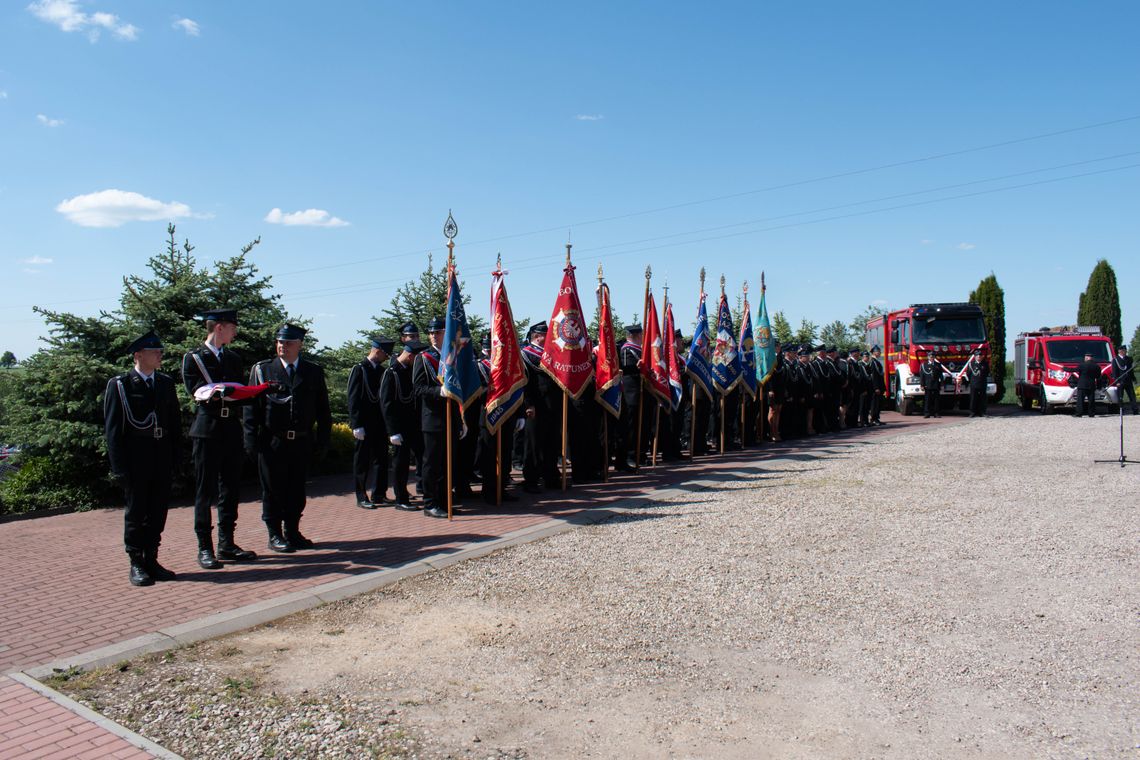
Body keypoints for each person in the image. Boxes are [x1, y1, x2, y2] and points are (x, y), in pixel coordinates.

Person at [181, 308, 258, 570]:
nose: (236, 332)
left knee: (230, 488)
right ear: (220, 328)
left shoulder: (233, 358)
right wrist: (216, 392)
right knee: (205, 491)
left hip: (230, 428)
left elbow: (239, 391)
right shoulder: (193, 358)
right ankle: (205, 547)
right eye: (233, 327)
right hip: (208, 429)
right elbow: (195, 391)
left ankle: (227, 543)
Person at [244, 324, 332, 551]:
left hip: (301, 441)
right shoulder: (264, 370)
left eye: (288, 342)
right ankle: (274, 534)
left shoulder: (312, 371)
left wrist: (322, 440)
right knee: (272, 490)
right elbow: (251, 409)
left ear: (300, 345)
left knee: (296, 489)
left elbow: (323, 410)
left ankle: (292, 531)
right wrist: (251, 442)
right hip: (273, 441)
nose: (282, 346)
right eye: (280, 342)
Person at [105, 331, 182, 586]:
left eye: (160, 350)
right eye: (154, 351)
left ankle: (152, 558)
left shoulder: (165, 383)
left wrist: (176, 459)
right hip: (136, 459)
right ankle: (136, 562)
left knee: (158, 512)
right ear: (138, 355)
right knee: (137, 513)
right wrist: (119, 469)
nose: (160, 354)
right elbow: (114, 431)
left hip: (161, 456)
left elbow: (174, 424)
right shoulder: (121, 385)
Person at [412, 317, 458, 518]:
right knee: (432, 464)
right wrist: (439, 391)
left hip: (451, 417)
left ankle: (445, 500)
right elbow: (418, 388)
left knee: (448, 463)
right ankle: (430, 503)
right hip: (433, 418)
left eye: (437, 332)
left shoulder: (452, 355)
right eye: (431, 332)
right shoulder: (423, 358)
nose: (433, 336)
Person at [347, 337, 394, 509]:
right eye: (385, 354)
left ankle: (379, 494)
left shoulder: (381, 371)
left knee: (381, 459)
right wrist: (356, 424)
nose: (386, 358)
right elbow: (353, 398)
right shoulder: (359, 369)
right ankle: (361, 496)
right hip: (364, 423)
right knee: (362, 461)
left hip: (379, 422)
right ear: (378, 350)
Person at [381, 340, 426, 510]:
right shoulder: (391, 373)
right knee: (401, 463)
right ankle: (401, 498)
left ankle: (425, 490)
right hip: (399, 427)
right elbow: (386, 404)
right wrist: (393, 431)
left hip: (414, 425)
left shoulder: (409, 371)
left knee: (424, 457)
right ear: (410, 355)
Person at [1072, 351, 1101, 418]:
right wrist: (1099, 386)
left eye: (1085, 357)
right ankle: (1091, 414)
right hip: (1091, 385)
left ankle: (1079, 413)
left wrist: (1064, 368)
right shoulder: (1097, 366)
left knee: (1080, 401)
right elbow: (1098, 376)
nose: (1084, 359)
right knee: (1091, 401)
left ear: (1087, 358)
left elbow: (1073, 370)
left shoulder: (1082, 365)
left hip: (1082, 385)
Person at [1111, 344, 1137, 415]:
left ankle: (1135, 410)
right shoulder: (1115, 360)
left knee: (1132, 396)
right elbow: (1114, 372)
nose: (1124, 352)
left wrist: (1134, 378)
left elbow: (1130, 370)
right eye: (1123, 350)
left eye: (1125, 350)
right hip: (1120, 381)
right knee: (1120, 396)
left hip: (1128, 380)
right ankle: (1121, 410)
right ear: (1119, 351)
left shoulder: (1129, 359)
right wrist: (1117, 381)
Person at [963, 348, 989, 417]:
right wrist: (971, 381)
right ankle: (972, 412)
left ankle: (982, 412)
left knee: (982, 399)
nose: (979, 357)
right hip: (974, 384)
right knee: (973, 399)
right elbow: (968, 374)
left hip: (982, 383)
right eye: (977, 356)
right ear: (975, 356)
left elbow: (987, 373)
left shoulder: (985, 364)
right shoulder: (971, 364)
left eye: (980, 356)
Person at [920, 351, 945, 418]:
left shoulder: (938, 364)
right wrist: (922, 385)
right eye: (930, 356)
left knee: (936, 400)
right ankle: (927, 413)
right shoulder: (924, 365)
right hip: (928, 384)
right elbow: (922, 376)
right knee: (927, 400)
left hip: (936, 384)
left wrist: (942, 384)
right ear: (928, 357)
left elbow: (941, 375)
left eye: (933, 356)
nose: (932, 358)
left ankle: (936, 413)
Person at [868, 345, 887, 425]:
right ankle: (874, 418)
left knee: (878, 404)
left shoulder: (876, 361)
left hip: (880, 386)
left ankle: (876, 418)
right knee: (875, 404)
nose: (879, 353)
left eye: (879, 351)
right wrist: (876, 387)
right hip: (876, 387)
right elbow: (874, 376)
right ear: (874, 352)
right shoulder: (873, 362)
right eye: (878, 351)